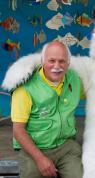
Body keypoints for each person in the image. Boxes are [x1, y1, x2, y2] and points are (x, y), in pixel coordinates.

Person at [10, 41, 84, 178]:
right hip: (33, 149)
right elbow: (18, 130)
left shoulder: (74, 79)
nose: (57, 66)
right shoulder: (25, 88)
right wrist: (40, 159)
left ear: (68, 63)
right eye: (52, 61)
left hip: (65, 147)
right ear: (43, 61)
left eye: (62, 61)